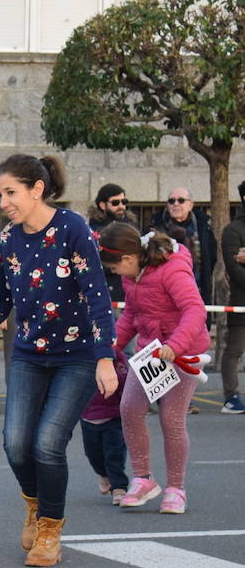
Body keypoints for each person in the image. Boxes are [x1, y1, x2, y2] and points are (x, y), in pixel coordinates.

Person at [0, 155, 118, 567]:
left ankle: (50, 528)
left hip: (78, 357)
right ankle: (35, 507)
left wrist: (105, 357)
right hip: (29, 355)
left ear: (37, 189)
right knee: (16, 444)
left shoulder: (73, 230)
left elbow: (98, 298)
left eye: (10, 193)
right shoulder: (8, 240)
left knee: (48, 444)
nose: (4, 202)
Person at [99, 223, 209, 514]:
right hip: (151, 352)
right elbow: (132, 314)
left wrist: (176, 344)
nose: (113, 273)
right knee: (129, 408)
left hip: (183, 353)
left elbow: (195, 309)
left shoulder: (172, 270)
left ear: (127, 259)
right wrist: (112, 347)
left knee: (171, 420)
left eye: (113, 267)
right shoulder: (133, 276)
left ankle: (176, 488)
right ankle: (143, 478)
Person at [151, 188, 216, 319]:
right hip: (164, 294)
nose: (175, 204)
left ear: (191, 204)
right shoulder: (156, 227)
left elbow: (211, 258)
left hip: (196, 290)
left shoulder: (203, 227)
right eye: (171, 201)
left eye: (181, 200)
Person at [79, 349, 129, 505]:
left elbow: (125, 377)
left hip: (113, 415)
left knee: (114, 454)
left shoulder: (113, 354)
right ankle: (103, 474)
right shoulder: (77, 353)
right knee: (93, 454)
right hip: (88, 416)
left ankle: (119, 487)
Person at [219, 179, 245, 415]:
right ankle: (231, 397)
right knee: (235, 350)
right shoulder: (233, 230)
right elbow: (235, 271)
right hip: (241, 301)